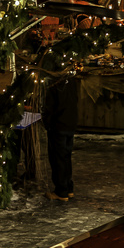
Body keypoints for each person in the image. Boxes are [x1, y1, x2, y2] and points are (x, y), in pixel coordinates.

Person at [42, 73, 83, 201]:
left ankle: (61, 191)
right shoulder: (70, 79)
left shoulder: (53, 83)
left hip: (58, 125)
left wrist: (47, 123)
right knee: (66, 156)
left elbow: (49, 108)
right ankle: (68, 188)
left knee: (57, 158)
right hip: (70, 123)